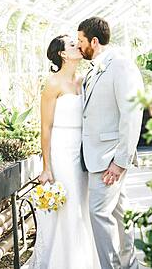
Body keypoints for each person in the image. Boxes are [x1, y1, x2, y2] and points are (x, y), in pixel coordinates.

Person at [26, 35, 100, 269]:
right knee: (69, 204)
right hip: (62, 150)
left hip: (84, 151)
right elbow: (45, 128)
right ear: (62, 54)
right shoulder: (53, 83)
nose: (78, 45)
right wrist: (47, 167)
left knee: (83, 204)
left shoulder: (84, 79)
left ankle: (85, 258)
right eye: (72, 44)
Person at [77, 16, 144, 269]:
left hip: (109, 158)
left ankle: (114, 267)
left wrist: (120, 160)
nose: (79, 45)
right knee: (120, 214)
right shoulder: (95, 67)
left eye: (81, 41)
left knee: (99, 213)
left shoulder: (121, 66)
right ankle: (130, 265)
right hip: (98, 155)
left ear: (94, 41)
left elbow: (131, 114)